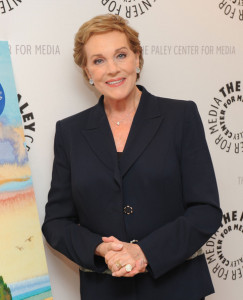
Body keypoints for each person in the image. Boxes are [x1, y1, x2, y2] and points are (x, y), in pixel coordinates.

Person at [42, 14, 222, 300]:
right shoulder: (70, 132)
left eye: (121, 55)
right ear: (87, 70)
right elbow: (56, 223)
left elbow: (205, 210)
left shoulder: (181, 117)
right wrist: (100, 249)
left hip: (177, 289)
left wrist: (144, 251)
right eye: (98, 60)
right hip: (105, 291)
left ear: (137, 58)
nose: (112, 69)